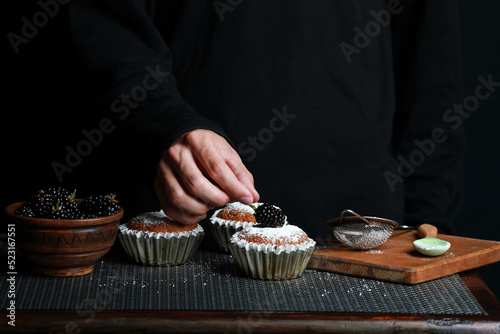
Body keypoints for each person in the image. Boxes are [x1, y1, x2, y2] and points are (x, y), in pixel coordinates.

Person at [68, 0, 464, 239]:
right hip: (177, 234)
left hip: (363, 240)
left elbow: (433, 75)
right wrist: (163, 125)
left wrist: (432, 234)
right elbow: (109, 28)